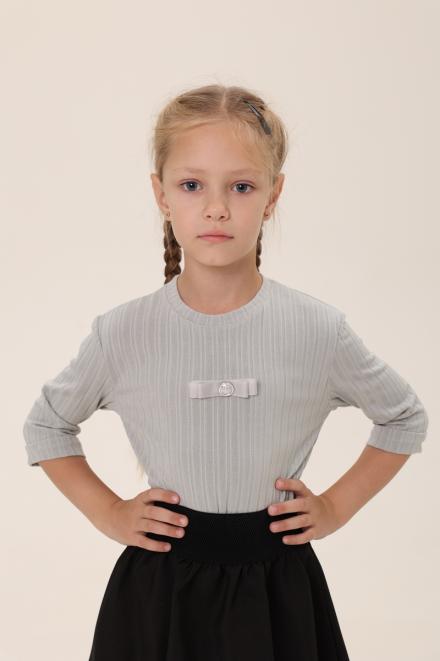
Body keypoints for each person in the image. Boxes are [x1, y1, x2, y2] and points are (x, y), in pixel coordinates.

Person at [23, 84, 429, 661]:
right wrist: (109, 512)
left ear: (273, 195)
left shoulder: (316, 329)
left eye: (241, 186)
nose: (216, 208)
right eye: (192, 185)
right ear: (161, 195)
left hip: (278, 591)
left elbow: (404, 417)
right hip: (158, 595)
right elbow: (46, 426)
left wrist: (335, 507)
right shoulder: (124, 332)